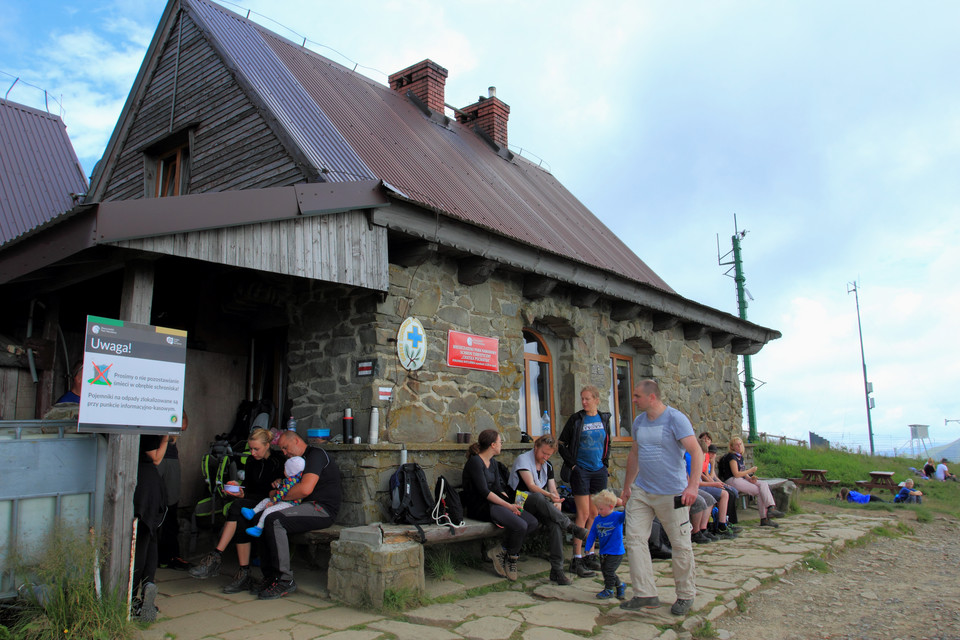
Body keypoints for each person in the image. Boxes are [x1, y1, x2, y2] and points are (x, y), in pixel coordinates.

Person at [619, 380, 702, 617]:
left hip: (672, 493)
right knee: (634, 539)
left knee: (680, 544)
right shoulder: (638, 422)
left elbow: (696, 451)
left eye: (637, 396)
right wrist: (627, 487)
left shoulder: (676, 419)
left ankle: (685, 595)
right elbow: (634, 454)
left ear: (652, 397)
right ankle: (645, 593)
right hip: (643, 491)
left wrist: (693, 486)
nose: (633, 400)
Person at [190, 427, 285, 594]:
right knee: (240, 516)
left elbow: (279, 489)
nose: (253, 453)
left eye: (257, 449)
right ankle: (243, 573)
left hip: (270, 503)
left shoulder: (278, 461)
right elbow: (248, 489)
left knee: (236, 507)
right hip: (252, 502)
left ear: (268, 445)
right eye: (251, 449)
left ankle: (216, 555)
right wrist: (240, 492)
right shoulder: (250, 461)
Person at [256, 431, 340, 599]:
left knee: (274, 520)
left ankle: (285, 580)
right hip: (304, 506)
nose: (285, 454)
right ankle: (271, 577)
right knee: (261, 516)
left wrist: (277, 494)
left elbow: (304, 489)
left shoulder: (315, 455)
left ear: (296, 440)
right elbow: (293, 485)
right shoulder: (297, 462)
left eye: (285, 448)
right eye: (282, 450)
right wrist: (280, 487)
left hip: (321, 509)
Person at [508, 434, 588, 585]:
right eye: (543, 453)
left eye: (548, 454)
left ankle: (557, 570)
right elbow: (532, 487)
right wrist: (551, 497)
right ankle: (570, 526)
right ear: (535, 447)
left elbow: (553, 488)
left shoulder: (548, 465)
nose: (545, 457)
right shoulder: (523, 460)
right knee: (538, 497)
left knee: (554, 524)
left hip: (540, 504)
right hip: (519, 501)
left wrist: (557, 500)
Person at [462, 429, 538, 581]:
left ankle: (501, 550)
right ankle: (512, 558)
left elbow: (497, 488)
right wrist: (508, 507)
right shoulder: (475, 462)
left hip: (496, 504)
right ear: (492, 445)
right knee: (520, 526)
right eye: (500, 442)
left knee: (531, 522)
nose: (501, 444)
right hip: (481, 506)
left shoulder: (493, 463)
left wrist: (512, 503)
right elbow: (484, 492)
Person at [558, 385, 611, 577]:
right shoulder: (576, 419)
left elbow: (607, 442)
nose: (584, 402)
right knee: (583, 513)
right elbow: (561, 443)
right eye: (582, 399)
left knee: (595, 514)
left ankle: (590, 554)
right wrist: (573, 465)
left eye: (587, 398)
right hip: (581, 471)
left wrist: (605, 463)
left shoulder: (604, 418)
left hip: (598, 471)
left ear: (597, 399)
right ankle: (576, 558)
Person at [131, 432, 169, 622]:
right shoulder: (150, 422)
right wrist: (165, 438)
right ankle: (146, 588)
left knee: (140, 540)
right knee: (147, 540)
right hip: (148, 483)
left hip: (137, 481)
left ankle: (132, 598)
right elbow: (155, 457)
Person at [719, 437, 784, 528]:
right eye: (737, 445)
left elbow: (743, 473)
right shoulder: (731, 457)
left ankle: (771, 508)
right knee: (759, 491)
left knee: (763, 484)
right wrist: (750, 470)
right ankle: (765, 517)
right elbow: (736, 474)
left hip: (740, 479)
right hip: (733, 480)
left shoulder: (740, 457)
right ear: (732, 447)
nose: (739, 446)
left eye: (740, 444)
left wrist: (750, 478)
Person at [157, 410, 192, 571]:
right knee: (152, 507)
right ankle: (154, 556)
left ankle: (170, 556)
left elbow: (183, 424)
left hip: (169, 455)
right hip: (151, 454)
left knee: (171, 507)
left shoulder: (172, 397)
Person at [241, 456, 305, 536]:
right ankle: (253, 512)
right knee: (266, 500)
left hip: (289, 504)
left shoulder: (290, 481)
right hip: (283, 501)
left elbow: (282, 492)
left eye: (285, 469)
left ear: (289, 471)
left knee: (268, 510)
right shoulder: (293, 479)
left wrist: (274, 502)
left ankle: (258, 528)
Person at [583, 490, 626, 600]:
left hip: (616, 551)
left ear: (611, 506)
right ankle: (620, 586)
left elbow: (628, 513)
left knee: (609, 570)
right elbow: (592, 533)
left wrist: (627, 502)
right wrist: (588, 547)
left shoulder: (617, 516)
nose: (598, 511)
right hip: (604, 550)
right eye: (598, 508)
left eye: (601, 509)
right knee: (606, 570)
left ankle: (609, 590)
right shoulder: (597, 519)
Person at [698, 432, 740, 530]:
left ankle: (726, 521)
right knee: (724, 494)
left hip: (706, 482)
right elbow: (701, 474)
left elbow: (710, 475)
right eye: (704, 439)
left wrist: (720, 483)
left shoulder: (706, 457)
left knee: (732, 492)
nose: (706, 441)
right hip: (700, 484)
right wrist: (712, 484)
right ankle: (720, 523)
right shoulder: (699, 455)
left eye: (708, 439)